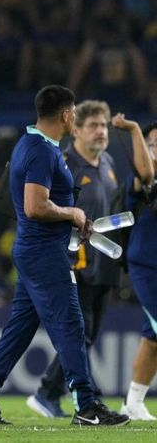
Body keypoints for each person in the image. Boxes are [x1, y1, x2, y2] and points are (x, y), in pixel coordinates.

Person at [0, 85, 129, 427]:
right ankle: (87, 405)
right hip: (44, 253)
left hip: (36, 250)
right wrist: (73, 215)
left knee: (19, 330)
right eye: (75, 112)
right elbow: (35, 206)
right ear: (66, 115)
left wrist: (71, 218)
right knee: (71, 326)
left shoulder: (32, 144)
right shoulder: (41, 151)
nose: (76, 117)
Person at [27, 102, 152, 418]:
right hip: (74, 263)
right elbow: (43, 210)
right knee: (79, 332)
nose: (101, 131)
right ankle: (64, 395)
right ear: (77, 130)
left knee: (88, 334)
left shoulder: (108, 163)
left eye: (104, 125)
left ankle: (48, 393)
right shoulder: (64, 164)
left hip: (103, 262)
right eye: (93, 125)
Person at [121, 120, 157, 420]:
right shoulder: (141, 178)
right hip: (146, 265)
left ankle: (133, 402)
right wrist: (134, 130)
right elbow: (146, 174)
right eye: (153, 144)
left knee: (153, 336)